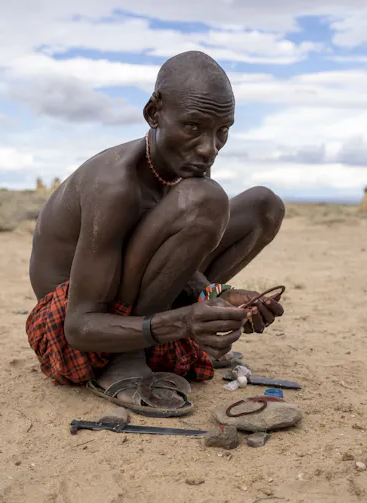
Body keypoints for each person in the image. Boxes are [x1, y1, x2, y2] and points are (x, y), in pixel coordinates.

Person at [26, 50, 286, 417]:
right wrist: (183, 321)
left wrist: (218, 297)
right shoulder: (115, 185)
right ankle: (125, 357)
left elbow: (174, 256)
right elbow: (79, 326)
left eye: (222, 131)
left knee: (264, 206)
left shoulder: (186, 165)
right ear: (153, 113)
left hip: (129, 301)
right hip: (75, 323)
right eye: (194, 126)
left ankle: (153, 338)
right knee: (205, 200)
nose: (209, 148)